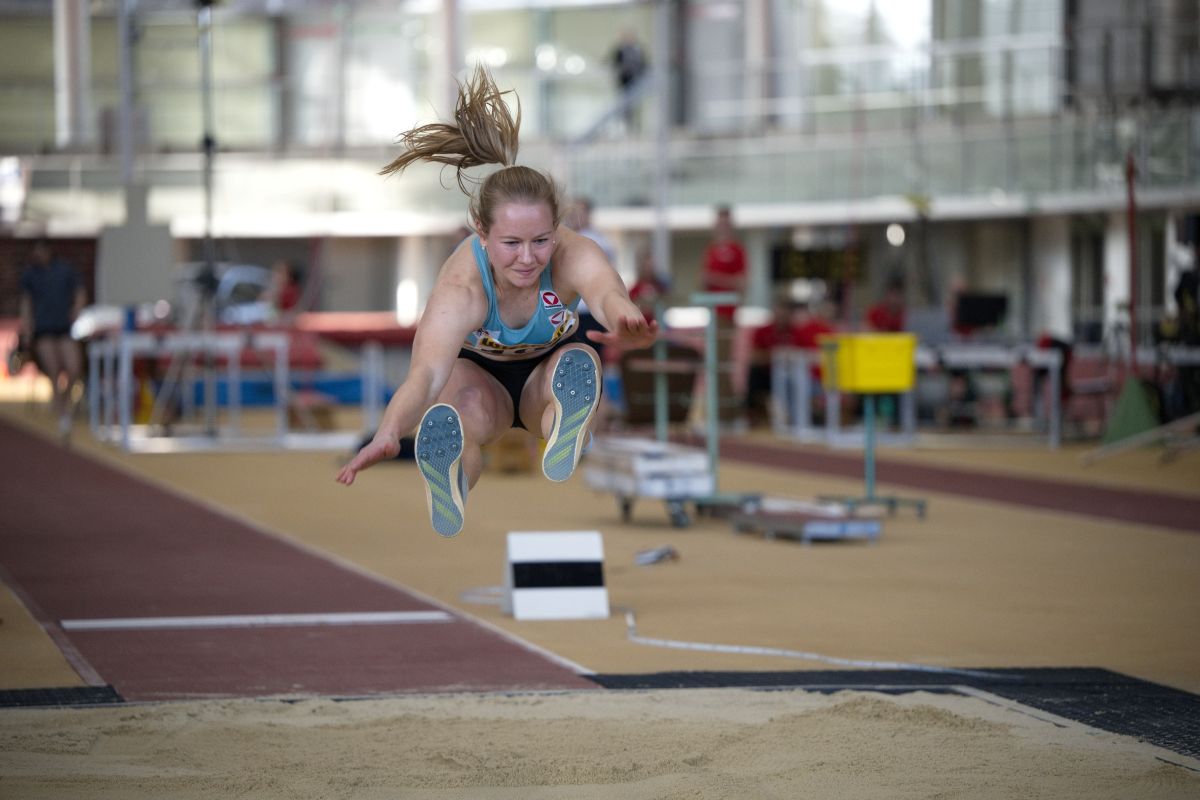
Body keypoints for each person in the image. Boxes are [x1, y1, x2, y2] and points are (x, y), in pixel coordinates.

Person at [336, 65, 658, 537]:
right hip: (478, 375)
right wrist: (388, 433)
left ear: (557, 229)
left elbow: (607, 293)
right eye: (511, 243)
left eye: (541, 241)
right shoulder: (461, 287)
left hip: (546, 373)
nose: (528, 259)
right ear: (482, 234)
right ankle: (451, 479)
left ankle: (565, 429)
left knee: (577, 361)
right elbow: (425, 375)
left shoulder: (573, 252)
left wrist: (626, 318)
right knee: (460, 417)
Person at [19, 239, 87, 438]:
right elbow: (26, 302)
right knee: (54, 369)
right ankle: (61, 414)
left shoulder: (64, 270)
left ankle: (63, 401)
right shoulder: (30, 274)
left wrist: (77, 308)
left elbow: (79, 291)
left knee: (74, 367)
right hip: (43, 329)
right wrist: (28, 328)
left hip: (64, 327)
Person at [700, 205, 747, 422]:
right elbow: (703, 280)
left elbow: (741, 283)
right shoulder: (711, 249)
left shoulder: (737, 250)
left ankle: (729, 413)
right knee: (714, 364)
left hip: (727, 313)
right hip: (712, 311)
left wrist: (715, 279)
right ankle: (721, 412)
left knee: (722, 363)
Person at [609, 29, 648, 132]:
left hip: (636, 81)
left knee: (635, 104)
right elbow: (614, 64)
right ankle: (625, 126)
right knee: (624, 104)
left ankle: (636, 126)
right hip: (624, 81)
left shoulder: (638, 50)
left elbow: (644, 64)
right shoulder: (619, 51)